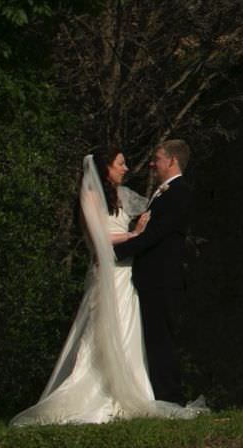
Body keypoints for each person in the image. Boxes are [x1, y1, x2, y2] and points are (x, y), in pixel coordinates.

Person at [10, 149, 203, 425]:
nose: (126, 168)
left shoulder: (124, 196)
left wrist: (140, 230)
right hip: (112, 270)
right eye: (121, 164)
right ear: (105, 169)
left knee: (129, 329)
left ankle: (137, 388)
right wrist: (134, 234)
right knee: (104, 328)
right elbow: (98, 235)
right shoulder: (90, 196)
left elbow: (156, 223)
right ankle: (100, 391)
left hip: (128, 273)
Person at [112, 139, 194, 405]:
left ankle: (170, 397)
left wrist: (117, 252)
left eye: (157, 159)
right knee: (154, 339)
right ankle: (160, 393)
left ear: (172, 161)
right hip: (152, 279)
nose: (152, 164)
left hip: (163, 279)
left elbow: (157, 234)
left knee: (162, 341)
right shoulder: (164, 192)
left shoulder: (180, 192)